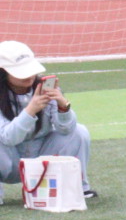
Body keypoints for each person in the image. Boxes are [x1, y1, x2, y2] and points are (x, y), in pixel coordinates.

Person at [1, 41, 95, 201]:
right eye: (20, 72)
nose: (29, 76)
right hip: (8, 162)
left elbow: (66, 129)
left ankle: (77, 187)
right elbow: (8, 138)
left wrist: (63, 106)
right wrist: (30, 110)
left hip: (42, 158)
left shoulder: (45, 88)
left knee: (79, 131)